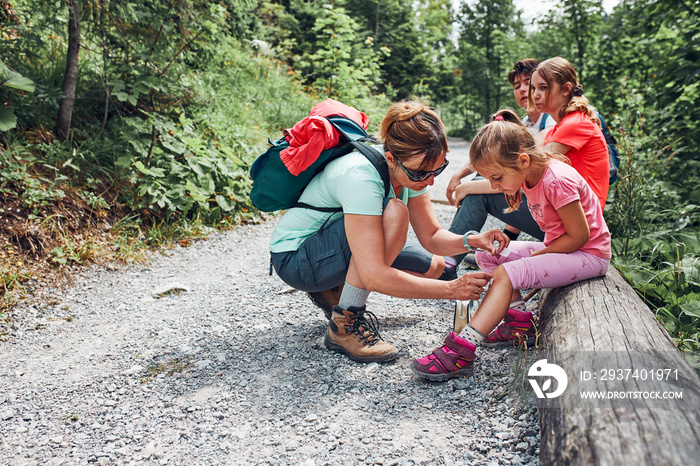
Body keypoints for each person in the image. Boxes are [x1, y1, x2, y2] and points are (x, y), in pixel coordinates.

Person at [269, 98, 509, 364]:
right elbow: (374, 275)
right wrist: (452, 290)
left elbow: (431, 236)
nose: (429, 181)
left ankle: (336, 287)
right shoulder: (361, 176)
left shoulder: (412, 169)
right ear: (391, 158)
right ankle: (344, 324)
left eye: (438, 170)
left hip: (330, 244)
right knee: (395, 213)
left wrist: (473, 240)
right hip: (296, 258)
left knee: (434, 267)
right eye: (421, 174)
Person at [411, 109, 611, 381]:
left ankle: (463, 347)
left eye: (497, 177)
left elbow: (579, 236)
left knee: (507, 272)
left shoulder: (557, 180)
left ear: (523, 160)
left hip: (588, 255)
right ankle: (519, 323)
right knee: (489, 254)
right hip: (566, 248)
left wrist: (535, 257)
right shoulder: (528, 175)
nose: (493, 185)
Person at [442, 59, 552, 278]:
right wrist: (458, 174)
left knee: (476, 192)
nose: (522, 89)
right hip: (541, 209)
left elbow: (526, 176)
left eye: (528, 83)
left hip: (561, 219)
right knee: (484, 176)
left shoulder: (551, 122)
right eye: (516, 85)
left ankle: (446, 262)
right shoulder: (525, 123)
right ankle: (451, 257)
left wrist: (468, 188)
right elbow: (491, 157)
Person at [530, 56, 610, 209]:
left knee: (481, 196)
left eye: (543, 87)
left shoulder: (575, 122)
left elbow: (534, 168)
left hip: (583, 218)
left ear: (565, 89)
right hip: (568, 208)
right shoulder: (560, 126)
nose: (535, 95)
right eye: (533, 88)